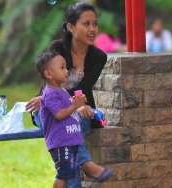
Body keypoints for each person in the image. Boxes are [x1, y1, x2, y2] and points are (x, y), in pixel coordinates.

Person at [25, 3, 112, 187]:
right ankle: (87, 165)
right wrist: (76, 105)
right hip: (48, 107)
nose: (92, 29)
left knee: (73, 124)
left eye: (94, 24)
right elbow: (51, 88)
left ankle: (83, 168)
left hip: (78, 109)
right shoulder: (57, 48)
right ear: (71, 27)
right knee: (69, 126)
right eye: (86, 24)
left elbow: (84, 89)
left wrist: (81, 106)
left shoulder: (98, 57)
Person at [36, 50, 86, 188]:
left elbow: (70, 109)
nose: (66, 71)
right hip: (61, 144)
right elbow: (59, 114)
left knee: (70, 173)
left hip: (69, 141)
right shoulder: (50, 93)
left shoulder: (61, 90)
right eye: (62, 67)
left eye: (66, 67)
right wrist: (75, 105)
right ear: (48, 73)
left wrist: (77, 102)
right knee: (65, 174)